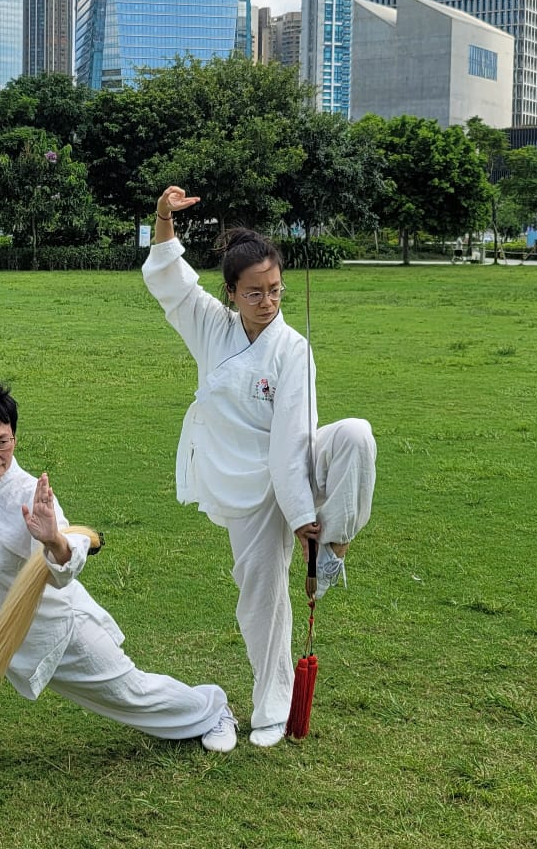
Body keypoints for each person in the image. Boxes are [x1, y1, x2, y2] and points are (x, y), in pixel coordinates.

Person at [0, 382, 235, 822]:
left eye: (2, 442)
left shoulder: (29, 495)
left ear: (14, 437)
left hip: (52, 632)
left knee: (132, 693)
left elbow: (63, 565)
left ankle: (211, 710)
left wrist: (52, 537)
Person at [141, 187, 377, 747]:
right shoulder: (209, 327)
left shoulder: (292, 349)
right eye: (254, 293)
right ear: (232, 293)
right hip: (241, 481)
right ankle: (271, 703)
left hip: (293, 462)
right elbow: (171, 282)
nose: (268, 302)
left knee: (356, 436)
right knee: (261, 596)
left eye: (275, 291)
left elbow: (293, 438)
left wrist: (306, 522)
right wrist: (162, 218)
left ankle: (334, 547)